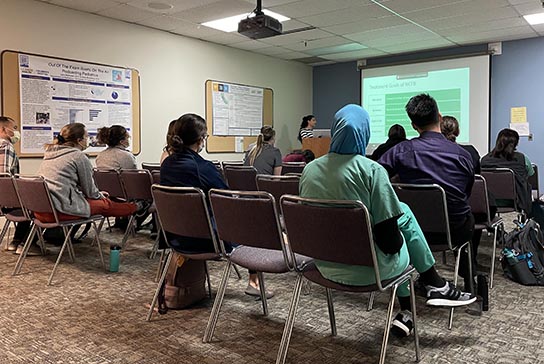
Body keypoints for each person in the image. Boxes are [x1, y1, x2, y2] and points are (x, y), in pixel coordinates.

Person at [300, 104, 475, 338]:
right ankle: (428, 289)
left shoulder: (309, 170)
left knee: (398, 218)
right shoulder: (372, 172)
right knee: (401, 229)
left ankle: (415, 305)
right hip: (369, 270)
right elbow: (391, 244)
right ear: (365, 133)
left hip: (324, 265)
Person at [160, 114, 271, 298]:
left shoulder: (167, 164)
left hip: (175, 237)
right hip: (206, 240)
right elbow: (227, 201)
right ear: (200, 139)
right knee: (251, 225)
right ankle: (254, 282)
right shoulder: (202, 167)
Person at [379, 94, 476, 291]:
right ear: (439, 117)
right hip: (453, 231)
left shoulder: (399, 151)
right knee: (469, 219)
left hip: (410, 230)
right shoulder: (463, 155)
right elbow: (466, 193)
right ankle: (468, 278)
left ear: (413, 125)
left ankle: (419, 275)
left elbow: (376, 178)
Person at [35, 123, 141, 224]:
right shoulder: (78, 156)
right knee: (105, 204)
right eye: (86, 136)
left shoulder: (50, 154)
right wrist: (99, 195)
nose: (88, 139)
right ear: (79, 140)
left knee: (97, 200)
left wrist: (97, 194)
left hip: (41, 210)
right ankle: (136, 207)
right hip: (61, 210)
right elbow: (90, 192)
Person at [481, 128, 544, 225]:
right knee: (536, 206)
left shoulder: (484, 160)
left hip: (491, 202)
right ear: (515, 143)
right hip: (515, 202)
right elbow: (530, 174)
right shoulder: (522, 159)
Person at [0, 116, 32, 253]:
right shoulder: (6, 146)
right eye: (13, 128)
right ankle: (25, 244)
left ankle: (16, 242)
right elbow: (3, 176)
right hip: (5, 200)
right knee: (34, 205)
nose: (16, 132)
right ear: (3, 129)